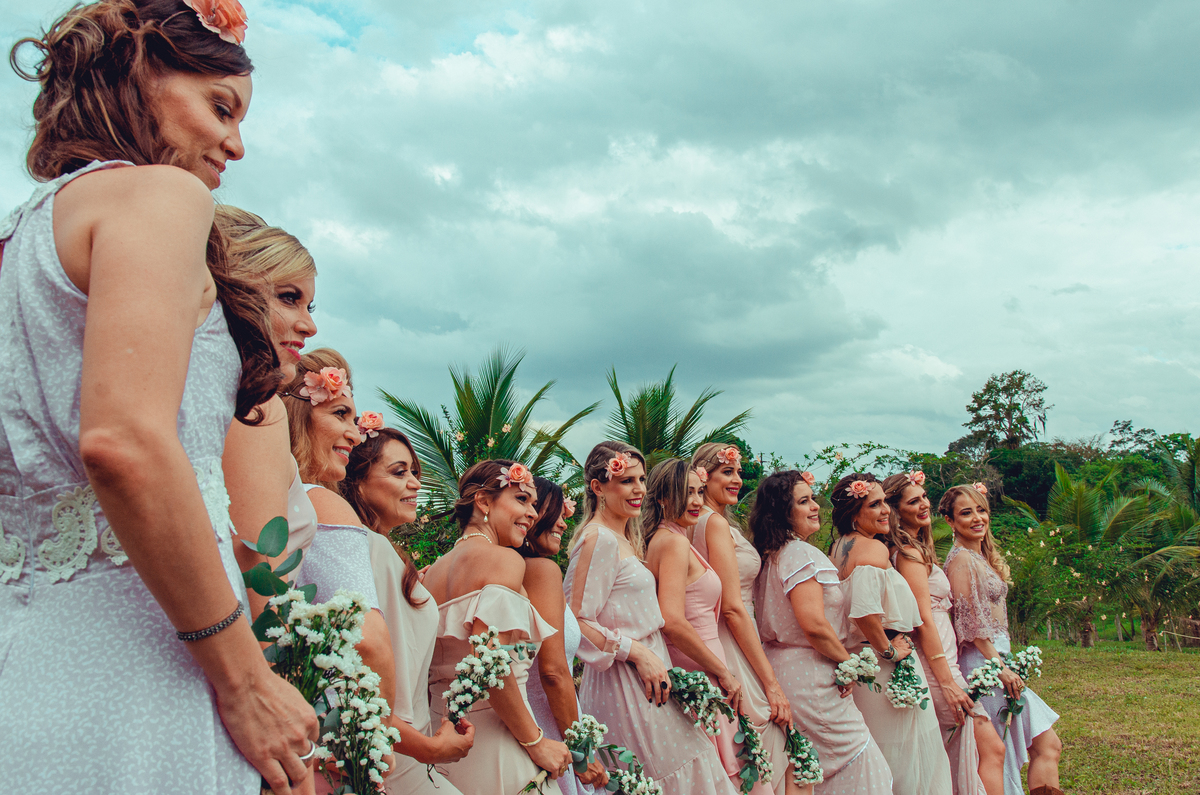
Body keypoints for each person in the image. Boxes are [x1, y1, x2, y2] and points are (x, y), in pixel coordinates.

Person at [0, 1, 318, 792]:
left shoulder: (21, 238)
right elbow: (125, 441)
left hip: (34, 658)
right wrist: (244, 678)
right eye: (220, 107)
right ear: (140, 70)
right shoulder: (157, 197)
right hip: (144, 661)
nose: (235, 145)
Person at [563, 441, 739, 795]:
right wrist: (636, 652)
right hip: (625, 685)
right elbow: (574, 622)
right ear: (598, 487)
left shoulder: (625, 537)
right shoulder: (598, 540)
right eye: (627, 481)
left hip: (651, 678)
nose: (639, 489)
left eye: (642, 479)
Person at [282, 347, 399, 792]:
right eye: (340, 414)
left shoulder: (273, 501)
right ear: (299, 416)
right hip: (331, 741)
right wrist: (376, 740)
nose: (354, 433)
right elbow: (369, 641)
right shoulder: (322, 503)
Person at [422, 460, 573, 795]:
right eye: (521, 499)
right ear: (484, 501)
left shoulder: (431, 574)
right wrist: (535, 742)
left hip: (445, 749)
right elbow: (488, 659)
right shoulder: (505, 560)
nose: (533, 514)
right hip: (500, 747)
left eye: (533, 504)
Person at [340, 425, 476, 795]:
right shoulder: (371, 549)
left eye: (415, 472)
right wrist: (428, 747)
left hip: (405, 746)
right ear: (357, 480)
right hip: (402, 750)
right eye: (399, 472)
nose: (415, 483)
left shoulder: (383, 553)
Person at [751, 471, 890, 795]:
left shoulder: (774, 554)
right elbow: (813, 625)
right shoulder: (800, 554)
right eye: (803, 501)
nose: (815, 506)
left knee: (813, 775)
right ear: (782, 512)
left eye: (812, 498)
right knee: (868, 770)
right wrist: (850, 665)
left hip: (788, 672)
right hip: (811, 676)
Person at [217, 206, 319, 613]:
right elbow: (255, 572)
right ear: (234, 289)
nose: (308, 325)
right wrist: (263, 674)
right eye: (289, 298)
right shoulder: (255, 409)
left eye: (310, 306)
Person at [828, 473, 952, 795]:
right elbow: (864, 612)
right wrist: (889, 652)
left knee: (882, 758)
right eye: (875, 504)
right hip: (884, 667)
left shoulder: (838, 547)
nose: (886, 511)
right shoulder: (873, 550)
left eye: (885, 501)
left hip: (862, 664)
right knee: (910, 759)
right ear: (855, 514)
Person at [882, 472, 1004, 795]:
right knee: (990, 748)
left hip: (945, 662)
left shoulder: (916, 548)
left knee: (959, 756)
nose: (923, 504)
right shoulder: (907, 554)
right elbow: (923, 620)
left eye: (923, 496)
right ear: (895, 510)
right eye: (913, 501)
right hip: (938, 669)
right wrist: (948, 683)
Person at [941, 485, 1063, 795]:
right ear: (950, 521)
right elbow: (970, 624)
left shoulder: (978, 556)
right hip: (984, 664)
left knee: (1047, 745)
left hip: (998, 660)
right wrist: (1000, 667)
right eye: (966, 513)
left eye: (981, 510)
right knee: (1010, 752)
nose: (977, 518)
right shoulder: (962, 561)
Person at [691, 443, 799, 795]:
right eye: (727, 472)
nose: (737, 479)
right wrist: (770, 683)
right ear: (703, 478)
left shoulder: (707, 522)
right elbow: (733, 608)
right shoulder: (711, 524)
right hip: (732, 641)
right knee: (766, 742)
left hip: (733, 639)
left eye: (738, 472)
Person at [644, 458, 744, 785]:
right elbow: (671, 620)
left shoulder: (669, 537)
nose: (697, 501)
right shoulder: (672, 542)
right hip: (698, 668)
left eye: (700, 491)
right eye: (687, 493)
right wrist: (721, 671)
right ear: (661, 497)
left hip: (699, 664)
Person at [519, 476, 609, 795]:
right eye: (555, 511)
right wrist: (582, 753)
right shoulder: (541, 572)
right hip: (548, 723)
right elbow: (554, 672)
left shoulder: (509, 569)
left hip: (526, 722)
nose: (562, 521)